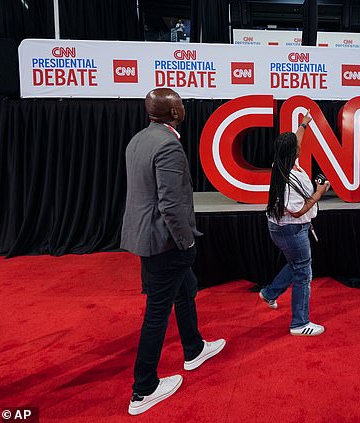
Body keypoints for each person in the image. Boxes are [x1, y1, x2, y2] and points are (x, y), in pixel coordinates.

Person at [121, 88, 226, 416]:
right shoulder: (169, 145)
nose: (183, 108)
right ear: (174, 114)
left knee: (186, 292)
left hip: (147, 237)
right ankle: (143, 389)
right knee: (157, 311)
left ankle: (194, 349)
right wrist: (187, 241)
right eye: (180, 104)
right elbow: (170, 203)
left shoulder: (138, 139)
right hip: (165, 241)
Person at [260, 111, 330, 337]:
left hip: (285, 228)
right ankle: (299, 323)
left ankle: (270, 293)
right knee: (303, 272)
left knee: (296, 265)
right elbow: (298, 209)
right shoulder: (289, 179)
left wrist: (304, 124)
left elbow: (296, 141)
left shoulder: (283, 162)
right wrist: (320, 192)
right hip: (291, 229)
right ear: (294, 153)